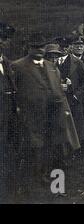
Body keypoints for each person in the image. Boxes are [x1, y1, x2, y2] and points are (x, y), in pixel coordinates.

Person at [12, 33, 80, 196]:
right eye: (35, 47)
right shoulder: (18, 66)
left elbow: (58, 91)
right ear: (29, 48)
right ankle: (37, 189)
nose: (38, 50)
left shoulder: (51, 66)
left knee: (58, 153)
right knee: (37, 154)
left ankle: (58, 189)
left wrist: (62, 111)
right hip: (33, 119)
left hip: (54, 118)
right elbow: (14, 93)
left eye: (41, 47)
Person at [56, 36, 84, 145]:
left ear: (70, 47)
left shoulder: (77, 62)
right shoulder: (52, 61)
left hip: (73, 100)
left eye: (66, 46)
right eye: (61, 47)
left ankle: (76, 148)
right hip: (58, 100)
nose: (64, 49)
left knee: (76, 126)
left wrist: (77, 95)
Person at [0, 22, 16, 202]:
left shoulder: (7, 63)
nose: (3, 42)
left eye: (5, 39)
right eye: (1, 38)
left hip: (9, 119)